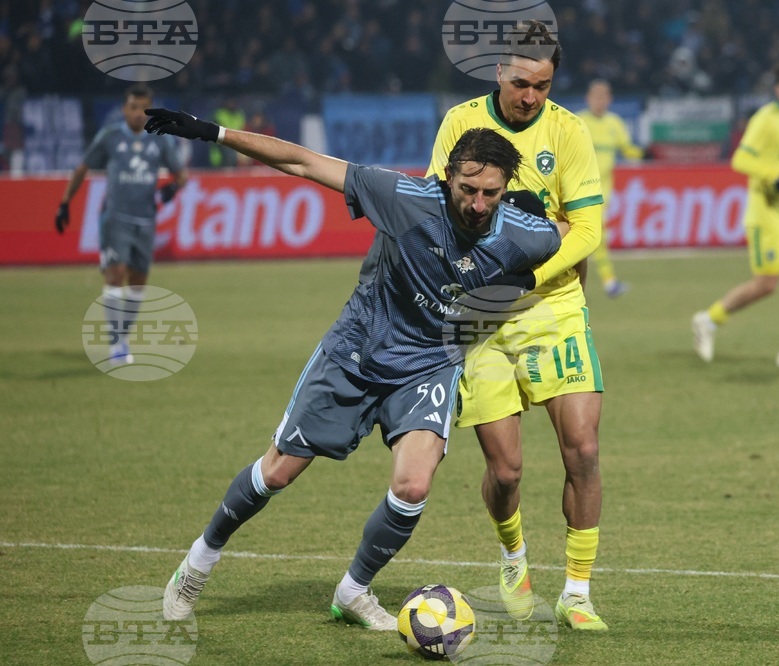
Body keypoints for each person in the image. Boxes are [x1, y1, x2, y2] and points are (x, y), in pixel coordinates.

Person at [143, 107, 564, 630]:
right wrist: (213, 132)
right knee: (277, 471)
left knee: (412, 487)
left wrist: (519, 277)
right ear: (447, 177)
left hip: (428, 365)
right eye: (467, 189)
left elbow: (561, 233)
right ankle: (198, 561)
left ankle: (353, 591)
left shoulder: (524, 234)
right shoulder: (403, 197)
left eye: (492, 194)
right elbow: (302, 162)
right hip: (357, 351)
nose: (478, 205)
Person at [427, 20, 610, 630]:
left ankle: (577, 592)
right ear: (499, 72)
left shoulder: (570, 132)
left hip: (553, 307)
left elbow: (587, 230)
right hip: (481, 317)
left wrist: (528, 275)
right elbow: (438, 205)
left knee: (582, 449)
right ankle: (514, 555)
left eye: (544, 85)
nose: (532, 96)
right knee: (505, 471)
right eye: (522, 82)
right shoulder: (460, 123)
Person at [692, 60, 779, 368]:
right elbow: (740, 159)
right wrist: (769, 176)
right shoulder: (766, 119)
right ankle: (708, 320)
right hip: (766, 214)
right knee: (766, 284)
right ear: (778, 89)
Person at [56, 84, 187, 366]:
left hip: (145, 220)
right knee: (115, 275)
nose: (139, 113)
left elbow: (181, 174)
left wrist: (173, 187)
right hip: (115, 218)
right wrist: (65, 202)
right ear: (123, 109)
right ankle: (117, 342)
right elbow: (83, 168)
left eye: (144, 108)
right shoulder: (111, 137)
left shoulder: (161, 140)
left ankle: (123, 336)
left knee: (138, 284)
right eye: (133, 107)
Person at [577, 79, 644, 298]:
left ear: (610, 99)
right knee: (592, 236)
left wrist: (646, 153)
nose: (599, 101)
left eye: (604, 96)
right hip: (578, 190)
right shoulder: (579, 122)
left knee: (594, 237)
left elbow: (627, 149)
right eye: (596, 96)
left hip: (603, 192)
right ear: (588, 98)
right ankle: (608, 282)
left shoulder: (614, 123)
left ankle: (604, 282)